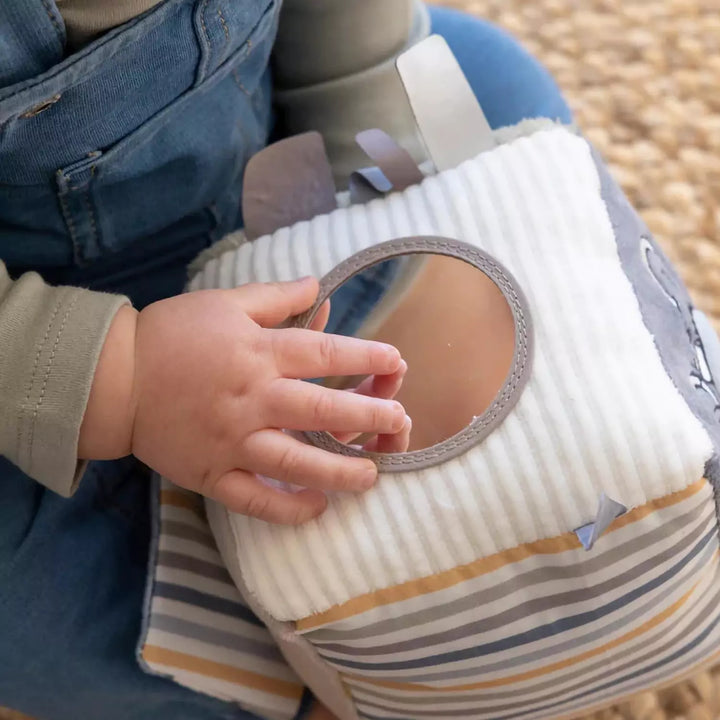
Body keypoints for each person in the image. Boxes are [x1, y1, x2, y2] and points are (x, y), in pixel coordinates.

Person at [0, 1, 571, 718]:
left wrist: (373, 175)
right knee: (30, 607)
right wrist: (121, 379)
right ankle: (312, 668)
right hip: (44, 367)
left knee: (488, 72)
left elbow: (349, 43)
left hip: (283, 201)